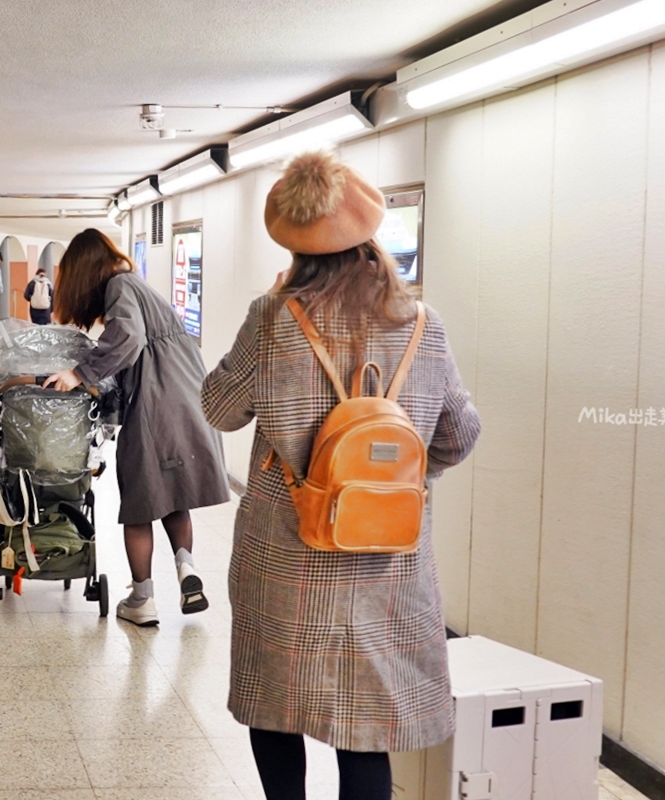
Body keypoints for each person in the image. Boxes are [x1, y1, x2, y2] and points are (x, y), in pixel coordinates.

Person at [200, 152, 481, 800]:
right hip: (387, 565)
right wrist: (394, 481)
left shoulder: (274, 320)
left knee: (277, 711)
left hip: (286, 560)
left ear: (295, 248)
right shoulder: (422, 325)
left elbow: (219, 407)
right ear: (370, 242)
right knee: (366, 732)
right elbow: (460, 434)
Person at [43, 228, 229, 626]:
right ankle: (186, 568)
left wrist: (80, 373)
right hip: (190, 399)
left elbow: (128, 337)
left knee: (140, 500)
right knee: (173, 494)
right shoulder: (138, 287)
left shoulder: (120, 284)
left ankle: (142, 599)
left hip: (156, 403)